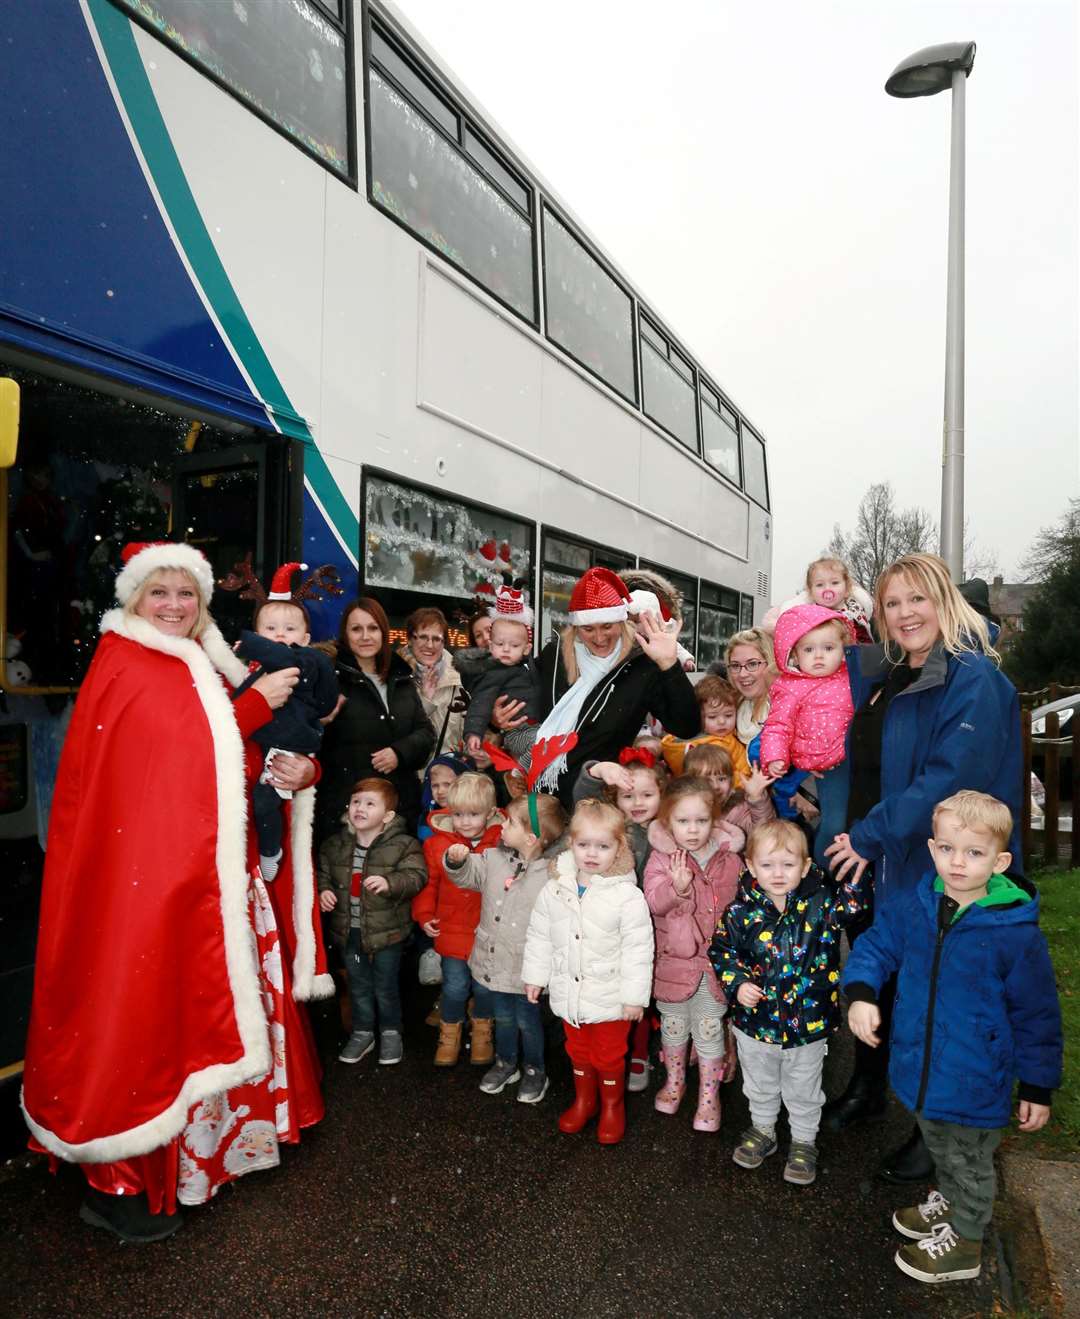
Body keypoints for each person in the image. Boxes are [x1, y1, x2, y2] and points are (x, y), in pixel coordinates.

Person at [22, 541, 332, 1243]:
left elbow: (223, 767)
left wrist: (296, 769)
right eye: (157, 592)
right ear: (133, 598)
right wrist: (252, 709)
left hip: (207, 878)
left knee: (194, 1013)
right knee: (146, 1016)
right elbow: (181, 760)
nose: (172, 605)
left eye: (185, 593)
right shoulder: (130, 662)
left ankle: (208, 1161)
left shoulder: (193, 660)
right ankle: (129, 1179)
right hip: (156, 888)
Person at [824, 552, 1025, 1183]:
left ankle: (935, 1128)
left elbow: (948, 778)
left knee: (939, 994)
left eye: (918, 599)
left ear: (943, 600)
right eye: (892, 603)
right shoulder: (888, 674)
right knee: (878, 974)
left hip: (941, 861)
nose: (906, 613)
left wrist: (870, 835)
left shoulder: (973, 680)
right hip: (882, 858)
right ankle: (870, 1082)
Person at [842, 791, 1061, 1284]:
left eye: (974, 853)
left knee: (968, 1159)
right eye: (946, 849)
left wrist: (1037, 1086)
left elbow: (1038, 1014)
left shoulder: (1013, 932)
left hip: (975, 1078)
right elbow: (876, 945)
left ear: (1000, 860)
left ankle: (965, 1240)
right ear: (932, 847)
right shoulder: (918, 903)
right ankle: (953, 1201)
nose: (957, 862)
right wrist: (860, 992)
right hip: (922, 1067)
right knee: (940, 1144)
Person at [711, 819, 868, 1187]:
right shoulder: (740, 912)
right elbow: (721, 951)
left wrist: (857, 878)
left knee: (804, 1087)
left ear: (806, 865)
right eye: (767, 865)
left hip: (808, 1025)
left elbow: (854, 910)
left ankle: (803, 1140)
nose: (778, 874)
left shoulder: (823, 903)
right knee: (760, 1082)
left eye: (788, 864)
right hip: (755, 1024)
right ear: (750, 866)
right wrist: (738, 984)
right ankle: (763, 1129)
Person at [496, 567, 698, 807]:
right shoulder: (556, 654)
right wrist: (497, 719)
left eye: (607, 626)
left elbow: (687, 727)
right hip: (531, 798)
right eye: (588, 628)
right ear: (576, 627)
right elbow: (521, 696)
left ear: (621, 621)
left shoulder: (642, 667)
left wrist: (668, 664)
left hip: (590, 804)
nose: (599, 637)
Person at [522, 798, 654, 1146]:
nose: (592, 854)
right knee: (577, 1049)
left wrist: (633, 997)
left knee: (609, 1054)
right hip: (570, 992)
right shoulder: (554, 889)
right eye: (584, 845)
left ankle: (613, 1105)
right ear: (571, 844)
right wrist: (535, 976)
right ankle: (585, 1099)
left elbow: (639, 950)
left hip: (612, 997)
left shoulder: (628, 896)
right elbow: (539, 935)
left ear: (619, 848)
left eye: (603, 846)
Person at [443, 791, 568, 1104]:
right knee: (504, 1018)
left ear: (530, 836)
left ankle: (535, 1069)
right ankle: (505, 1062)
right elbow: (469, 874)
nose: (502, 825)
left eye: (510, 822)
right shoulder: (493, 858)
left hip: (528, 968)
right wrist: (455, 861)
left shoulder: (554, 873)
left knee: (528, 1021)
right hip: (494, 961)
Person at [644, 777, 744, 1132]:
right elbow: (653, 902)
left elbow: (741, 908)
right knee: (672, 1026)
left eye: (701, 821)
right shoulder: (659, 858)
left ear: (713, 819)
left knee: (708, 1027)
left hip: (713, 965)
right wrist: (677, 887)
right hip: (673, 962)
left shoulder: (729, 859)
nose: (692, 830)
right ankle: (674, 1082)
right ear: (668, 821)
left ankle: (708, 1095)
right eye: (683, 821)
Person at [235, 563, 339, 879]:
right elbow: (207, 736)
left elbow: (317, 737)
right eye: (270, 629)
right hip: (231, 810)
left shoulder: (307, 669)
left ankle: (271, 852)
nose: (280, 635)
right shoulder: (226, 674)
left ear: (306, 638)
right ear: (256, 634)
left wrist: (310, 770)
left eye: (290, 630)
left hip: (276, 791)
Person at [572, 746, 667, 1092]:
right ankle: (611, 1054)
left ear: (662, 794)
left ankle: (639, 1053)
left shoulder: (666, 832)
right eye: (628, 795)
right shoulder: (612, 829)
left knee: (638, 995)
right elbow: (583, 797)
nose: (637, 802)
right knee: (616, 996)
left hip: (648, 927)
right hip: (608, 927)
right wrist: (597, 769)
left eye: (647, 794)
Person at [318, 778, 427, 1067]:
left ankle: (391, 1032)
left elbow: (416, 876)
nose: (360, 808)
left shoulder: (403, 845)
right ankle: (363, 1032)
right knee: (357, 984)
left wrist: (391, 882)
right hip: (348, 931)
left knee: (385, 985)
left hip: (387, 934)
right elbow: (322, 874)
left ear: (388, 816)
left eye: (370, 803)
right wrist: (323, 891)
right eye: (356, 802)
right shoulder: (335, 845)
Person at [318, 597, 435, 840]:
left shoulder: (401, 677)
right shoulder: (330, 677)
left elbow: (425, 733)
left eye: (373, 628)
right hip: (348, 814)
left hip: (399, 812)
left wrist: (399, 753)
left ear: (383, 632)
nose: (365, 636)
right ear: (345, 634)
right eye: (356, 629)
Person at [414, 772, 505, 1067]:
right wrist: (424, 914)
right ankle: (449, 1035)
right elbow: (429, 884)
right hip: (451, 930)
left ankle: (482, 1032)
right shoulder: (436, 845)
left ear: (490, 813)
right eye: (458, 814)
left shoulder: (502, 844)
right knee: (454, 987)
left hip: (488, 932)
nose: (465, 821)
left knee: (484, 988)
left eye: (473, 814)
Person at [759, 605, 855, 868]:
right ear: (795, 654)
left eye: (828, 648)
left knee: (845, 822)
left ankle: (833, 875)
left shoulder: (852, 678)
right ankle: (823, 874)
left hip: (846, 761)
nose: (819, 656)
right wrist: (776, 757)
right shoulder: (790, 686)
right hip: (812, 768)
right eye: (809, 650)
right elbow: (778, 725)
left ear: (843, 648)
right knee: (832, 824)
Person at [725, 627, 815, 825]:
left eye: (752, 664)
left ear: (771, 663)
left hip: (799, 812)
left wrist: (802, 792)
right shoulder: (731, 708)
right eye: (735, 666)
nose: (742, 674)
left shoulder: (791, 704)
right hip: (755, 816)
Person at [461, 588, 542, 759]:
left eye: (513, 645)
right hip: (517, 733)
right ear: (491, 645)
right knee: (539, 748)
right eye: (500, 643)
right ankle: (519, 774)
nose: (506, 649)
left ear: (526, 649)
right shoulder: (492, 673)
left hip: (539, 726)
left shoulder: (529, 666)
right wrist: (473, 733)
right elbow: (480, 703)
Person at [401, 606, 469, 768]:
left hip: (446, 781)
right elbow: (396, 734)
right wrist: (425, 701)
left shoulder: (460, 680)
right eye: (423, 637)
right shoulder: (395, 677)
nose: (430, 645)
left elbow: (466, 738)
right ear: (410, 640)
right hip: (407, 778)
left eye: (437, 639)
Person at [660, 675, 752, 785]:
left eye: (728, 715)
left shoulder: (735, 738)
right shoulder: (684, 746)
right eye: (712, 717)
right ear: (697, 716)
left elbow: (743, 771)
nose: (722, 721)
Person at [762, 556, 874, 644]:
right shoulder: (810, 615)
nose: (828, 589)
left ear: (847, 588)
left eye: (835, 583)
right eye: (820, 585)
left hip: (859, 661)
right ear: (811, 591)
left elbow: (866, 637)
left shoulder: (855, 608)